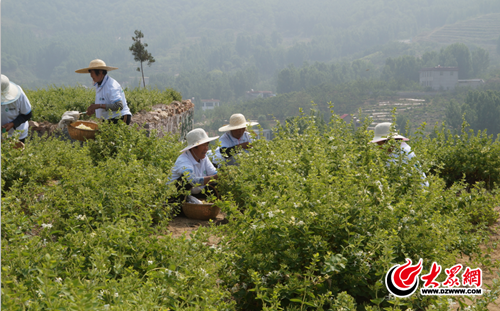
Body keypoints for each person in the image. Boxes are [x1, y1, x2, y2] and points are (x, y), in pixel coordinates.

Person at [370, 122, 429, 187]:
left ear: (386, 142)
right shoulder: (402, 147)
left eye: (379, 144)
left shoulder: (399, 154)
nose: (379, 147)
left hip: (416, 191)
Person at [75, 59, 132, 125]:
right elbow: (104, 101)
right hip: (108, 119)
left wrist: (98, 106)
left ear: (100, 72)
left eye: (92, 72)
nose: (91, 75)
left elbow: (119, 106)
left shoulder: (111, 85)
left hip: (119, 118)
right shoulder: (99, 84)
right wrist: (94, 109)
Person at [169, 128, 219, 200]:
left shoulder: (204, 158)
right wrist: (215, 177)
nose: (206, 148)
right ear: (194, 147)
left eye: (207, 145)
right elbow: (191, 180)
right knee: (184, 181)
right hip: (176, 196)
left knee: (216, 184)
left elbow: (213, 173)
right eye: (203, 145)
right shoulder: (184, 160)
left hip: (194, 193)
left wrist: (221, 175)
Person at [1, 74, 32, 144]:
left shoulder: (19, 94)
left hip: (17, 134)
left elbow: (27, 114)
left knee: (16, 152)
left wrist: (13, 124)